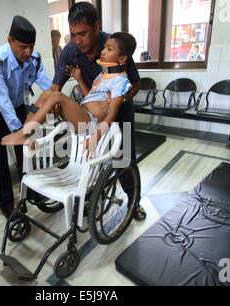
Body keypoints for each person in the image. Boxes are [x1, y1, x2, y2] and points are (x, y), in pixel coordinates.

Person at [50, 2, 147, 221]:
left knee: (125, 159)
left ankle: (134, 203)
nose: (77, 40)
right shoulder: (71, 52)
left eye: (82, 33)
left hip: (119, 111)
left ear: (97, 26)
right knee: (90, 156)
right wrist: (55, 103)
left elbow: (136, 84)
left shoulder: (115, 45)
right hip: (93, 114)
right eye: (73, 34)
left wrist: (115, 102)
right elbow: (56, 87)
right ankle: (91, 198)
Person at [2, 32, 136, 155]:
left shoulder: (120, 81)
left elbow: (111, 116)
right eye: (104, 47)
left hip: (91, 124)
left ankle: (24, 134)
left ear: (122, 57)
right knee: (48, 93)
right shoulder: (104, 74)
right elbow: (89, 97)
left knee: (56, 96)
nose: (103, 51)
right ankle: (26, 133)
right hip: (82, 115)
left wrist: (96, 138)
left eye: (109, 49)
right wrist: (79, 79)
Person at [0, 15, 52, 218]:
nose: (27, 52)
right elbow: (2, 100)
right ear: (10, 40)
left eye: (31, 46)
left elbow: (47, 84)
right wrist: (19, 131)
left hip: (19, 109)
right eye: (22, 46)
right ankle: (6, 203)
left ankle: (31, 192)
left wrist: (59, 100)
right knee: (0, 159)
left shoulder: (33, 58)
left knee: (26, 154)